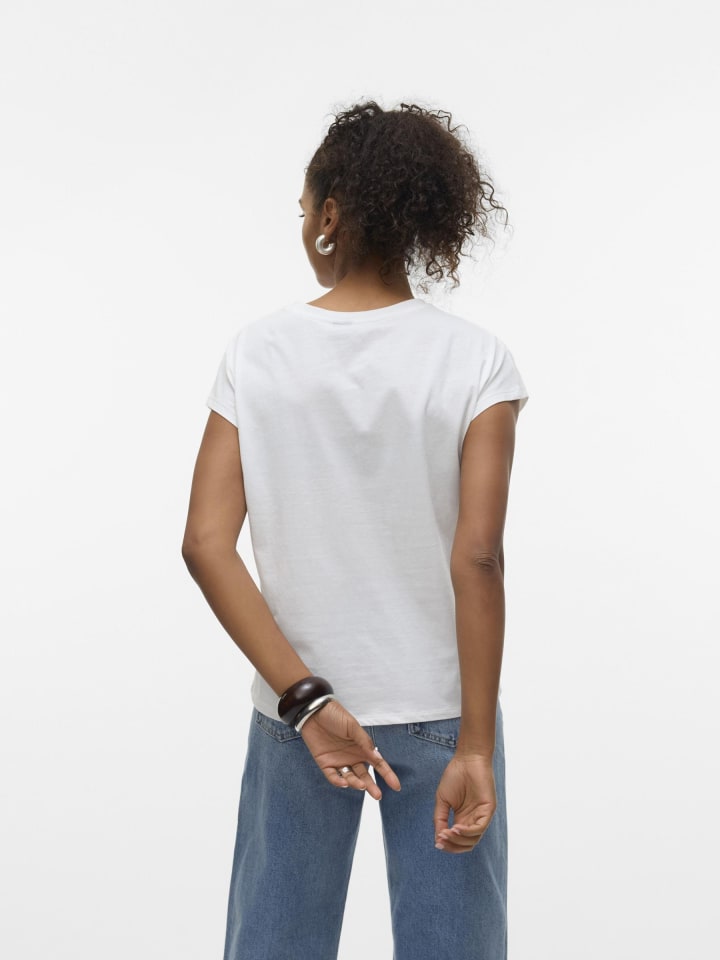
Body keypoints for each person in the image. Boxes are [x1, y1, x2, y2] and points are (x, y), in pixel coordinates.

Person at [182, 99, 529, 960]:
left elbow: (205, 544)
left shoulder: (257, 353)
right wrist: (476, 746)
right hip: (444, 709)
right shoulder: (475, 361)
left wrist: (306, 699)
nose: (305, 225)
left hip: (297, 713)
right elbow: (479, 558)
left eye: (305, 209)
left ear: (331, 215)